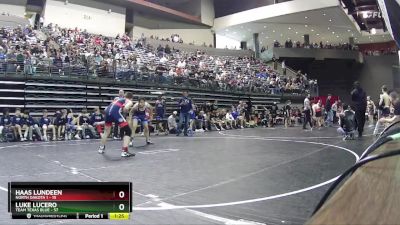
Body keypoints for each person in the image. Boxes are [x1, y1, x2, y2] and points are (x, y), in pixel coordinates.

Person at [98, 92, 135, 157]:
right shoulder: (129, 101)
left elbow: (108, 108)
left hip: (107, 112)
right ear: (131, 98)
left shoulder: (117, 99)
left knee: (106, 132)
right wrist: (126, 111)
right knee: (128, 131)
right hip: (115, 113)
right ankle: (124, 151)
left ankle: (101, 149)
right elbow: (125, 108)